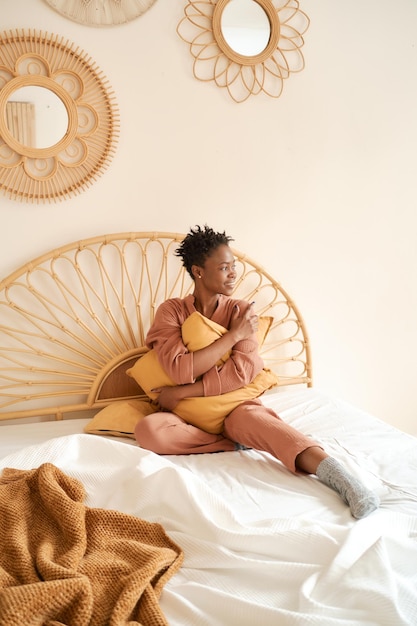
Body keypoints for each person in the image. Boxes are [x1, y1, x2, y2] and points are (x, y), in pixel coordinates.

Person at [135, 225, 379, 519]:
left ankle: (343, 479)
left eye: (233, 266)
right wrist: (231, 337)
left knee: (272, 430)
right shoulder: (172, 311)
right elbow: (179, 369)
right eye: (224, 268)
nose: (233, 274)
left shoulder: (241, 311)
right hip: (187, 415)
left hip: (232, 406)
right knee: (148, 431)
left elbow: (242, 373)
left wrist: (183, 391)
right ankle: (233, 442)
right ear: (198, 271)